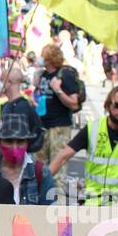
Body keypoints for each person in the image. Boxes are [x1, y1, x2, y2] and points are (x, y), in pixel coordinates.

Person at [48, 84, 118, 206]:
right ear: (108, 105)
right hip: (93, 201)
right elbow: (63, 155)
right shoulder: (92, 128)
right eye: (117, 105)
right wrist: (43, 179)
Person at [32, 44, 82, 190]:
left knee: (58, 168)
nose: (40, 58)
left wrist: (58, 90)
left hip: (59, 126)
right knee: (40, 167)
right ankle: (41, 197)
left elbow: (74, 103)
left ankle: (57, 199)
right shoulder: (43, 74)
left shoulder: (64, 74)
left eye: (43, 55)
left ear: (51, 58)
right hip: (43, 126)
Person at [0, 111, 54, 206]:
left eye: (20, 141)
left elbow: (49, 212)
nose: (14, 147)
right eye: (9, 141)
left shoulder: (41, 172)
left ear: (27, 143)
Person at [0, 63, 44, 155]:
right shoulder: (9, 105)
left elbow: (14, 136)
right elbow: (8, 128)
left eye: (2, 80)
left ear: (9, 82)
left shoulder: (21, 107)